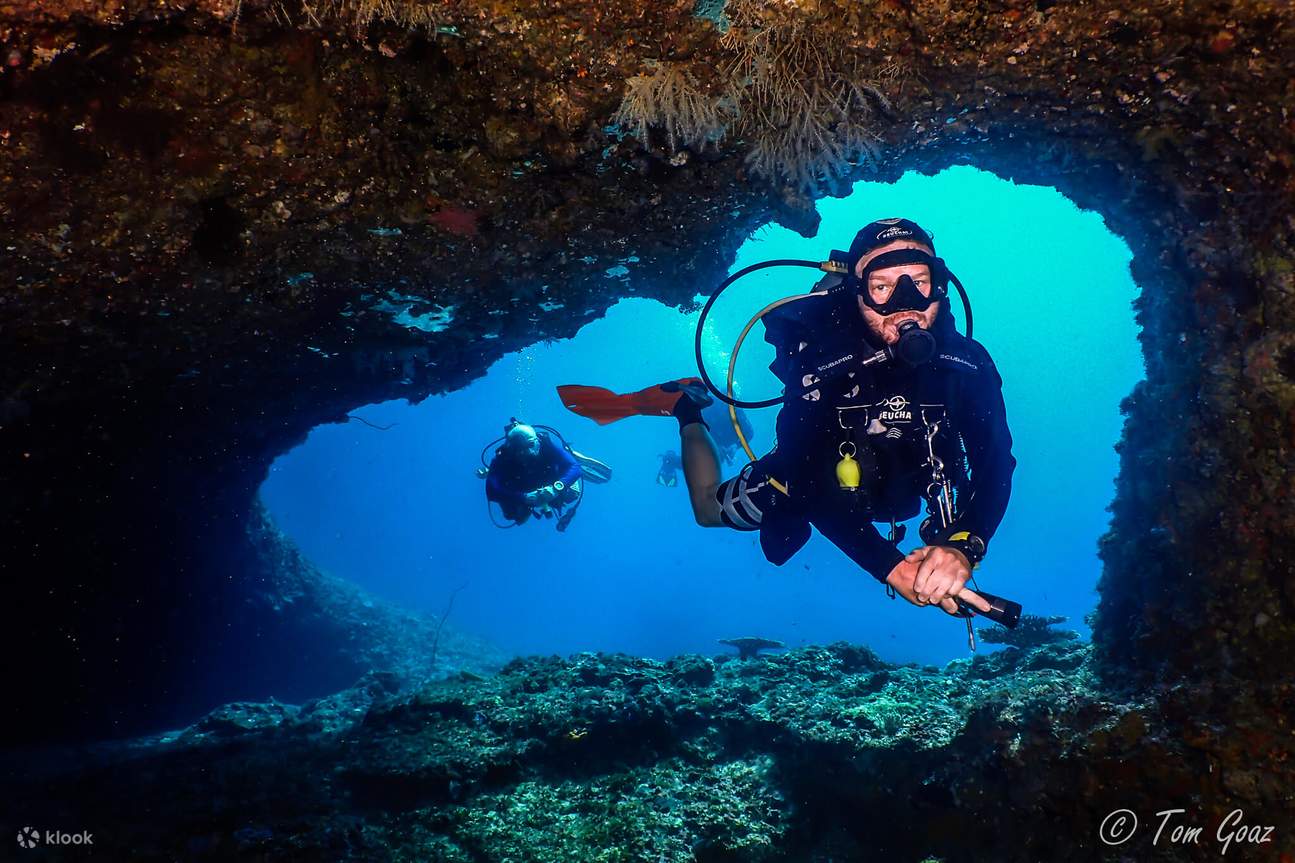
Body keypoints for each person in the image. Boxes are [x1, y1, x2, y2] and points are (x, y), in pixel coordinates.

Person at [561, 219, 1015, 618]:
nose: (905, 302)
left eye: (918, 281)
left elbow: (996, 462)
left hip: (905, 480)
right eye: (882, 286)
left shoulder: (967, 363)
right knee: (707, 509)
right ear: (858, 294)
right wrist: (890, 567)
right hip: (817, 476)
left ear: (941, 284)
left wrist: (963, 546)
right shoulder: (823, 361)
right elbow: (805, 479)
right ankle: (686, 409)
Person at [483, 421, 584, 529]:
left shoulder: (545, 443)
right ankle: (565, 460)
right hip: (523, 488)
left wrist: (557, 488)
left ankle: (567, 455)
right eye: (520, 449)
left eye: (531, 445)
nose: (528, 452)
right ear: (511, 449)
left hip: (552, 479)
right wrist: (522, 497)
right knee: (513, 515)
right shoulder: (503, 458)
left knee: (572, 494)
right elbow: (491, 490)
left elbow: (575, 467)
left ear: (537, 440)